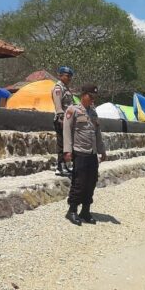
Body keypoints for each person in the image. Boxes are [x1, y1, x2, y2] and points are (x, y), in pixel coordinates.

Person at [63, 84, 107, 226]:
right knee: (79, 183)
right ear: (83, 95)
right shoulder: (73, 110)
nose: (92, 99)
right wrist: (67, 150)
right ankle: (72, 210)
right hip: (80, 152)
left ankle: (86, 210)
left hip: (92, 153)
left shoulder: (93, 113)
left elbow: (97, 134)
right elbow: (67, 131)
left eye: (94, 97)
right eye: (90, 96)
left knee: (91, 182)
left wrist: (102, 150)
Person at [51, 66, 75, 176]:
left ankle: (65, 165)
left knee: (67, 144)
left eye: (70, 76)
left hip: (68, 120)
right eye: (67, 76)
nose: (69, 78)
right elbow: (58, 104)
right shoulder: (58, 88)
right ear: (60, 76)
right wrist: (61, 117)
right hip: (62, 120)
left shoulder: (66, 88)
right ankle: (59, 166)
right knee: (61, 144)